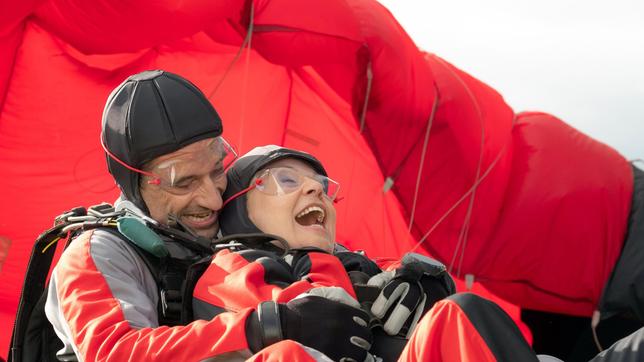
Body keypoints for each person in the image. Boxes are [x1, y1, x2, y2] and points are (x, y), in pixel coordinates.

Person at [43, 70, 378, 361]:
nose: (213, 199)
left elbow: (316, 255)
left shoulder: (229, 221)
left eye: (217, 170)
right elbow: (114, 353)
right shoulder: (97, 254)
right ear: (135, 185)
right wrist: (263, 327)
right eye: (184, 183)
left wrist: (382, 280)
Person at [193, 145, 542, 361]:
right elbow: (301, 318)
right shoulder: (230, 269)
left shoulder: (357, 264)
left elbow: (390, 273)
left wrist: (428, 287)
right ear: (241, 210)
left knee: (457, 316)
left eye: (323, 186)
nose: (316, 189)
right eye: (286, 180)